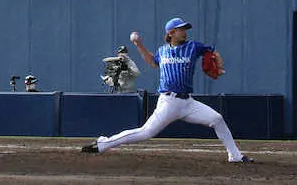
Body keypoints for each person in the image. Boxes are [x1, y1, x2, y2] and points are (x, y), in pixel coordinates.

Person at [83, 18, 251, 163]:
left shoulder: (193, 47)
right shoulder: (162, 51)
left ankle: (235, 155)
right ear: (171, 33)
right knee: (145, 133)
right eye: (181, 29)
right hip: (169, 102)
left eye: (184, 29)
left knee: (217, 119)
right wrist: (139, 45)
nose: (184, 32)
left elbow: (213, 52)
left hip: (188, 103)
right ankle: (104, 144)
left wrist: (219, 66)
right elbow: (152, 62)